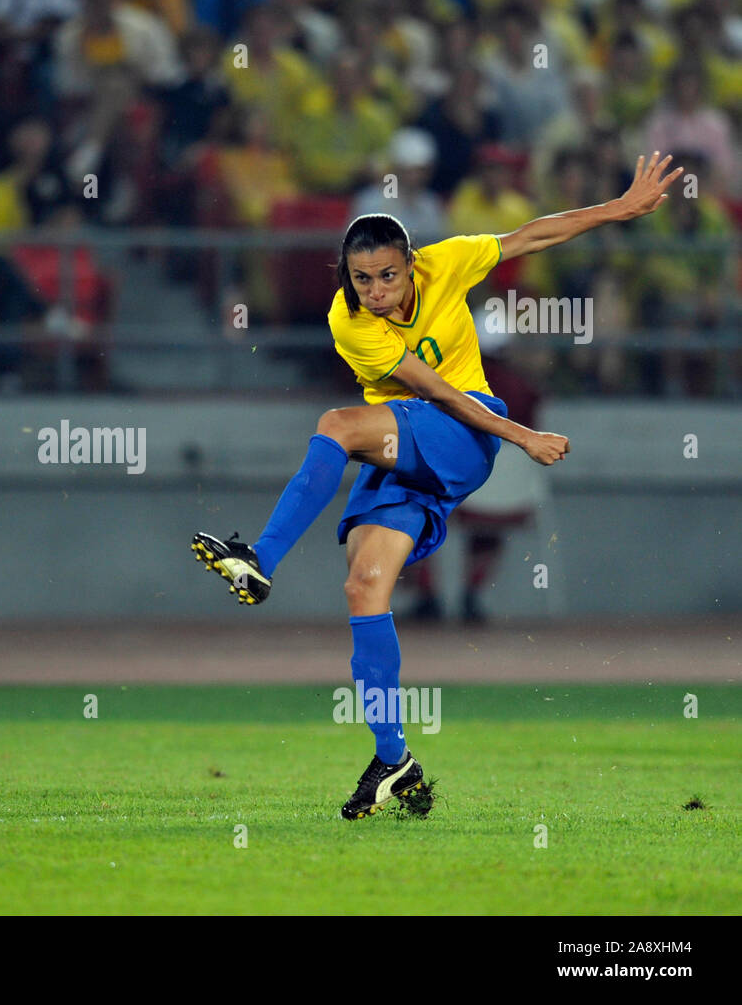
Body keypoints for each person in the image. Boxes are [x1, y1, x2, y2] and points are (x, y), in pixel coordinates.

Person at [192, 152, 681, 821]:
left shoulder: (446, 262)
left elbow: (529, 237)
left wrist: (618, 209)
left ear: (412, 262)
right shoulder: (349, 321)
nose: (376, 290)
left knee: (337, 421)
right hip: (407, 449)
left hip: (464, 432)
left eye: (387, 274)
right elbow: (424, 392)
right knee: (364, 586)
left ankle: (261, 560)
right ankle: (394, 759)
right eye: (362, 277)